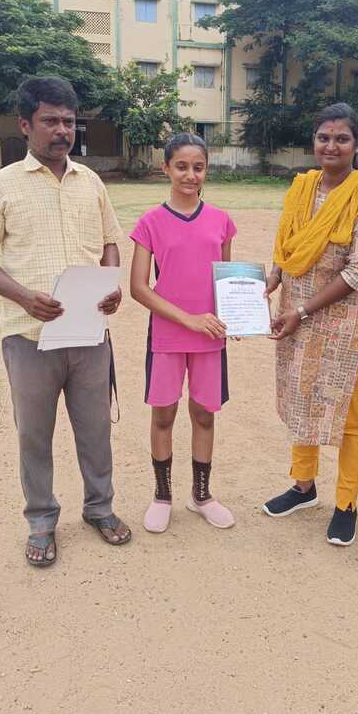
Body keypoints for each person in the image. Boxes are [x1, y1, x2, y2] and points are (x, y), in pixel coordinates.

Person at [0, 76, 130, 568]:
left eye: (69, 122)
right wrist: (23, 297)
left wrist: (110, 283)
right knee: (33, 434)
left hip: (89, 334)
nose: (62, 131)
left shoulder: (90, 182)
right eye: (50, 120)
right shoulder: (0, 186)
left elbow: (110, 241)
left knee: (95, 430)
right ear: (25, 124)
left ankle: (100, 508)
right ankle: (40, 520)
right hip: (28, 336)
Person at [261, 103, 358, 546]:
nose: (331, 146)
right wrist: (273, 277)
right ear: (313, 141)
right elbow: (287, 245)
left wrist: (301, 311)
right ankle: (303, 487)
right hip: (295, 319)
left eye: (341, 138)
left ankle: (346, 503)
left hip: (346, 327)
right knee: (301, 401)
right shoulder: (302, 187)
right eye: (323, 137)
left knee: (350, 417)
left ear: (357, 144)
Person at [130, 133, 237, 534]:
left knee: (204, 415)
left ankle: (202, 496)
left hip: (209, 337)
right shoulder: (150, 222)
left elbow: (226, 281)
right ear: (166, 168)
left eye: (198, 167)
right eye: (182, 166)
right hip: (168, 336)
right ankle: (162, 496)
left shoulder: (221, 221)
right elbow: (139, 287)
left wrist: (237, 315)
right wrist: (188, 319)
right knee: (164, 414)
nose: (190, 175)